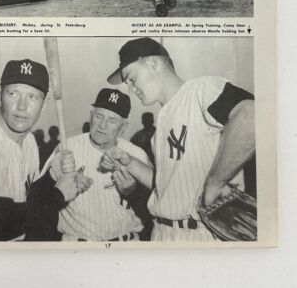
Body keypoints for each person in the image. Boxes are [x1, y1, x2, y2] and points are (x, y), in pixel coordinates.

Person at [103, 38, 255, 241]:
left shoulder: (199, 90)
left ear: (152, 63)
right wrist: (129, 162)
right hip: (163, 233)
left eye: (131, 78)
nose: (130, 88)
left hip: (201, 233)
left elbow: (251, 114)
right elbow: (167, 188)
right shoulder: (161, 124)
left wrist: (215, 182)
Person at [0, 58, 91, 241]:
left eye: (33, 97)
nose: (22, 106)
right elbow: (0, 226)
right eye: (13, 94)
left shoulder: (29, 140)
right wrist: (59, 194)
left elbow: (30, 200)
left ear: (44, 104)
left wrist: (52, 176)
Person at [53, 88, 152, 241]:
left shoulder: (136, 154)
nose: (102, 126)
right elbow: (42, 202)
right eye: (99, 116)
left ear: (123, 127)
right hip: (78, 248)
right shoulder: (66, 148)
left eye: (112, 120)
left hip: (125, 245)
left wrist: (134, 193)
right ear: (91, 116)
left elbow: (155, 206)